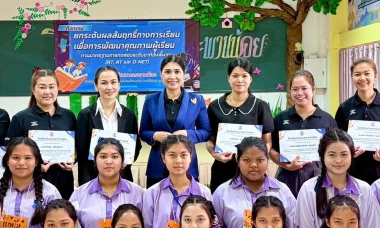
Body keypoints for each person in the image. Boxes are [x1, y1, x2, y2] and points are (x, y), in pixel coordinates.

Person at [296, 129, 380, 228]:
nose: (338, 160)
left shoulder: (365, 189)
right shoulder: (309, 189)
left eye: (344, 154)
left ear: (352, 156)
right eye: (332, 155)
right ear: (322, 157)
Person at [213, 137, 297, 228]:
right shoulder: (222, 192)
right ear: (238, 160)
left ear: (267, 160)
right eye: (247, 160)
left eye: (260, 160)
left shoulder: (282, 191)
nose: (253, 165)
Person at [140, 55, 211, 187]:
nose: (172, 76)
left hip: (187, 165)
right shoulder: (150, 100)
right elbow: (143, 132)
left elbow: (206, 132)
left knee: (189, 200)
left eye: (177, 72)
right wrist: (155, 135)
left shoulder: (197, 101)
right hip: (157, 166)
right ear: (161, 74)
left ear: (184, 74)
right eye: (167, 72)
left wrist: (187, 134)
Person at [206, 58, 274, 192]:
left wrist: (256, 159)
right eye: (235, 76)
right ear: (228, 78)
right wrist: (215, 154)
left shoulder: (260, 106)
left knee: (252, 204)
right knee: (220, 204)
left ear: (251, 79)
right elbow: (210, 141)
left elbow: (267, 142)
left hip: (252, 171)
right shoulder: (215, 106)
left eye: (244, 76)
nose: (240, 80)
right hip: (222, 169)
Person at [7, 69, 77, 198]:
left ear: (58, 89)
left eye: (52, 87)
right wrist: (34, 165)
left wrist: (73, 160)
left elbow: (77, 147)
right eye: (42, 87)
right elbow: (10, 151)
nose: (47, 92)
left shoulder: (68, 116)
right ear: (33, 90)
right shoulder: (21, 118)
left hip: (64, 182)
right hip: (32, 183)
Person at [70, 138, 145, 228]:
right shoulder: (79, 194)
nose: (109, 161)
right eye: (103, 156)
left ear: (122, 162)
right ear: (95, 161)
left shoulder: (138, 193)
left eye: (114, 157)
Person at [142, 134, 212, 228]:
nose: (178, 160)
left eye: (183, 155)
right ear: (163, 158)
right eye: (172, 155)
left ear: (191, 158)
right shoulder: (152, 193)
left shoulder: (204, 192)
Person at [335, 58, 380, 184]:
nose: (362, 78)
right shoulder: (344, 107)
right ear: (352, 77)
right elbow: (338, 139)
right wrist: (348, 152)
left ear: (375, 76)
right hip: (354, 170)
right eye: (357, 74)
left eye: (367, 73)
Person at [271, 70, 337, 197]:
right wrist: (287, 166)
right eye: (295, 89)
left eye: (304, 88)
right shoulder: (280, 118)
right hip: (286, 179)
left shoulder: (326, 119)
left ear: (313, 90)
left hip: (318, 179)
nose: (300, 93)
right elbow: (271, 149)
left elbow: (335, 150)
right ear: (290, 91)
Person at [76, 66, 141, 185]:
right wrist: (85, 184)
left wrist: (127, 160)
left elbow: (136, 146)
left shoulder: (129, 115)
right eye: (104, 83)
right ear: (96, 86)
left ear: (119, 85)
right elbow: (82, 153)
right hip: (93, 180)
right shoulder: (85, 115)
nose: (109, 87)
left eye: (113, 82)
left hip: (122, 178)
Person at [0, 137, 60, 228]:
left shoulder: (50, 193)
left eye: (28, 158)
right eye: (15, 157)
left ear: (37, 161)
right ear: (7, 161)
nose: (21, 163)